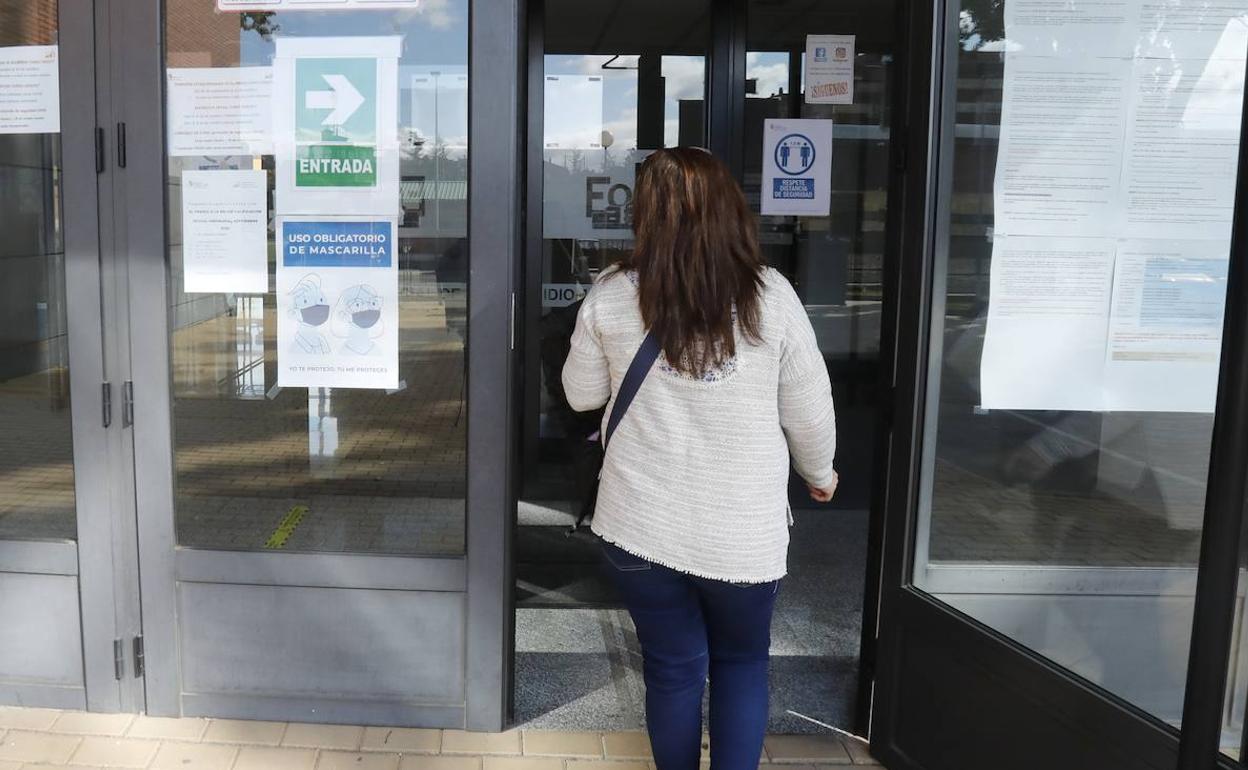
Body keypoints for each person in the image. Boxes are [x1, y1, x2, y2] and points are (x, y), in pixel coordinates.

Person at [561, 147, 838, 770]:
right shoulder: (772, 297)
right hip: (741, 534)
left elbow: (581, 396)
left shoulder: (610, 294)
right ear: (729, 213)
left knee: (671, 669)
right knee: (742, 663)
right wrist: (820, 475)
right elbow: (810, 411)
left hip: (638, 526)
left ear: (645, 216)